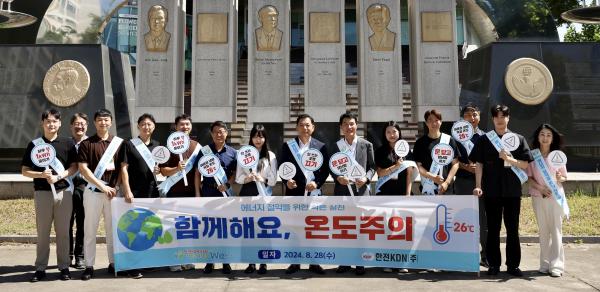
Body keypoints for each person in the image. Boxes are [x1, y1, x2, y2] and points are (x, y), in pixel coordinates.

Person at [470, 104, 533, 277]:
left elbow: (526, 164)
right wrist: (478, 185)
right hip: (491, 191)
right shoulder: (485, 139)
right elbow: (479, 164)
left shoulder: (518, 139)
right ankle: (493, 265)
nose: (500, 119)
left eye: (503, 116)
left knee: (513, 229)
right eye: (496, 116)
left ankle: (513, 266)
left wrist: (510, 159)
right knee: (493, 229)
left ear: (508, 118)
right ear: (492, 119)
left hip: (512, 191)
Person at [22, 109, 78, 282]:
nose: (51, 124)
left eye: (54, 121)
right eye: (48, 121)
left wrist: (58, 176)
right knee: (43, 233)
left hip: (63, 192)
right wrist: (41, 175)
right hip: (42, 194)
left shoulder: (68, 143)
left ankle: (64, 267)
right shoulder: (35, 144)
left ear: (60, 123)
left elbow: (74, 167)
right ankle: (40, 268)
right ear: (42, 123)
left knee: (63, 233)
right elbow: (24, 171)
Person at [77, 109, 124, 281]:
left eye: (106, 120)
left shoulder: (118, 143)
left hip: (113, 193)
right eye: (99, 120)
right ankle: (89, 266)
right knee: (90, 229)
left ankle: (113, 263)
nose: (103, 123)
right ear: (95, 123)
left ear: (111, 122)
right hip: (93, 192)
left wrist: (116, 186)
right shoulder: (86, 144)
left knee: (112, 230)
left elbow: (121, 168)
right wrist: (102, 187)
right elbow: (83, 168)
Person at [280, 114, 329, 275]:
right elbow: (282, 167)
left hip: (313, 193)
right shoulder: (288, 146)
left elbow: (325, 170)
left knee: (313, 228)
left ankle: (314, 262)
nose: (305, 128)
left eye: (308, 125)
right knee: (295, 228)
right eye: (301, 125)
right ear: (297, 127)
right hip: (294, 193)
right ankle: (295, 262)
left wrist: (317, 183)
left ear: (313, 127)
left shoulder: (321, 146)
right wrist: (287, 180)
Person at [331, 112, 375, 276]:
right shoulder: (336, 146)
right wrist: (337, 177)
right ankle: (344, 261)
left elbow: (372, 167)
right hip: (342, 193)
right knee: (344, 228)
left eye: (351, 124)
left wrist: (366, 178)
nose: (349, 127)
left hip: (361, 193)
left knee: (361, 229)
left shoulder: (366, 144)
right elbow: (331, 167)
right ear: (341, 127)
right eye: (345, 124)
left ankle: (360, 262)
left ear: (356, 125)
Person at [159, 114, 200, 272]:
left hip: (190, 194)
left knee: (188, 228)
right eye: (181, 124)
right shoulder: (169, 146)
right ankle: (174, 261)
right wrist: (177, 168)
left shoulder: (196, 146)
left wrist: (197, 193)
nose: (185, 127)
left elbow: (197, 172)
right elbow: (163, 171)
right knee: (173, 228)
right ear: (175, 127)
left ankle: (188, 260)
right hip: (173, 193)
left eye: (187, 124)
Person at [235, 124, 277, 275]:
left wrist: (262, 178)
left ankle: (263, 263)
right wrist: (248, 178)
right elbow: (238, 178)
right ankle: (251, 262)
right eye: (255, 136)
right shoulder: (243, 153)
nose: (258, 139)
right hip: (247, 194)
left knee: (263, 230)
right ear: (251, 138)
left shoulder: (271, 156)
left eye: (261, 136)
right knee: (248, 231)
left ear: (265, 138)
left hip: (264, 196)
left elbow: (274, 180)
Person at [527, 124, 568, 277]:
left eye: (548, 135)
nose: (545, 138)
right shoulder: (532, 155)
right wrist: (540, 188)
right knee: (543, 231)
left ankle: (556, 265)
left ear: (553, 138)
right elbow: (529, 178)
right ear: (538, 137)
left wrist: (560, 178)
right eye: (542, 134)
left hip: (556, 197)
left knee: (556, 230)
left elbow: (564, 176)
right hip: (538, 197)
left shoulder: (557, 155)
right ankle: (544, 264)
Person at [197, 121, 237, 275]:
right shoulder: (204, 151)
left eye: (222, 131)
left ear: (226, 133)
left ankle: (225, 261)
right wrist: (197, 193)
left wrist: (227, 184)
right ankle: (209, 261)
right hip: (208, 192)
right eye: (216, 132)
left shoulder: (233, 152)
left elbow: (234, 174)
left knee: (225, 229)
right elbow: (197, 173)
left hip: (225, 195)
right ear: (212, 134)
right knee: (209, 228)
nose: (219, 134)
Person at [454, 104, 488, 267]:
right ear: (463, 118)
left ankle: (486, 255)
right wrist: (465, 166)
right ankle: (464, 255)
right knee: (462, 219)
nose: (472, 118)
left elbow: (491, 160)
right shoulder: (456, 137)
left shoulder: (486, 137)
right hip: (462, 182)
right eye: (468, 115)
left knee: (483, 219)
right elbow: (450, 161)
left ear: (479, 116)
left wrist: (481, 168)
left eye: (475, 114)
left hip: (481, 183)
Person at [413, 109, 460, 195]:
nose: (433, 123)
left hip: (446, 188)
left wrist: (446, 182)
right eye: (430, 120)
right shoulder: (420, 142)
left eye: (436, 120)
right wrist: (433, 177)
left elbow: (455, 164)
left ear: (441, 122)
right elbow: (418, 166)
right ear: (426, 123)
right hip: (427, 187)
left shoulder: (449, 140)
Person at [119, 113, 161, 200]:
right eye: (143, 124)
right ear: (138, 126)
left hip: (152, 190)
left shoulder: (157, 145)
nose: (146, 127)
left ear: (154, 127)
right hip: (134, 191)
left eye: (149, 124)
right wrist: (127, 191)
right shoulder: (129, 144)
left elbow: (157, 167)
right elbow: (124, 169)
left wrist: (158, 170)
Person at [374, 121, 416, 197]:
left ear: (399, 132)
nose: (392, 135)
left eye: (394, 131)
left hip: (403, 191)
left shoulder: (406, 149)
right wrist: (396, 166)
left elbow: (409, 174)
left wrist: (408, 194)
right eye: (388, 132)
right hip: (385, 191)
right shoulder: (380, 151)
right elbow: (380, 173)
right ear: (385, 134)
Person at [68, 113, 88, 270]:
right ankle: (67, 255)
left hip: (84, 186)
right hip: (66, 186)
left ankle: (80, 256)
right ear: (71, 126)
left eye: (82, 124)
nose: (79, 126)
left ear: (87, 126)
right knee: (66, 223)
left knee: (82, 223)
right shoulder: (65, 143)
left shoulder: (90, 143)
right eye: (76, 123)